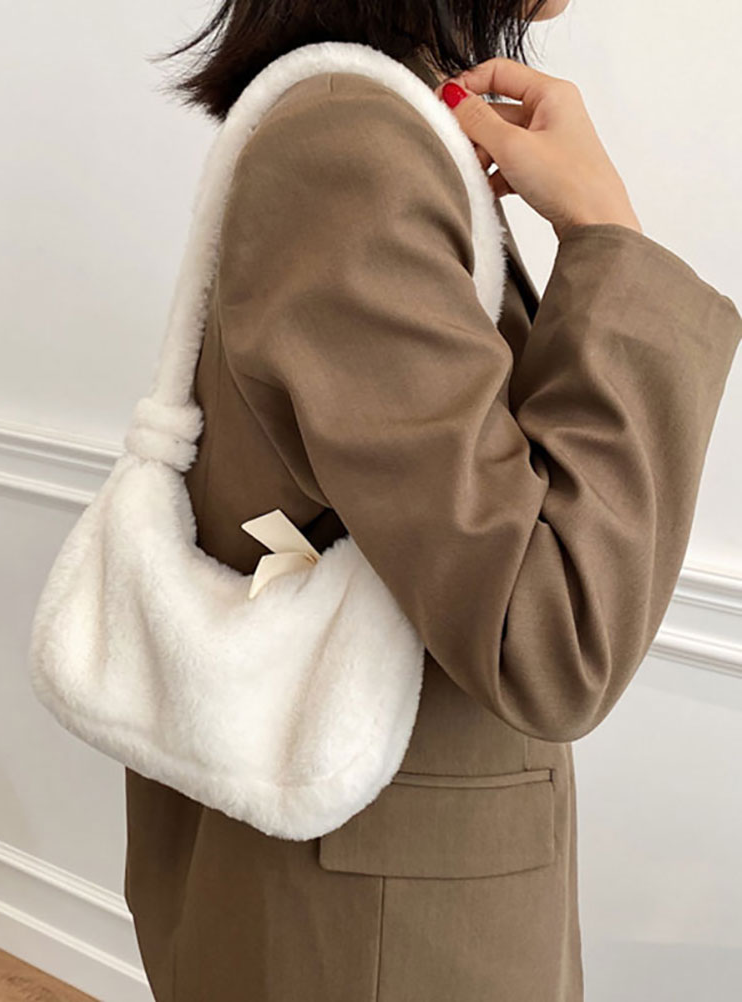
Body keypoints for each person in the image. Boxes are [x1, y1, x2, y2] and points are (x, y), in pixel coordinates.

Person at [122, 2, 742, 1000]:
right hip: (387, 928)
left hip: (380, 885)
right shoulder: (350, 146)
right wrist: (605, 232)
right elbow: (552, 637)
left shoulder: (374, 121)